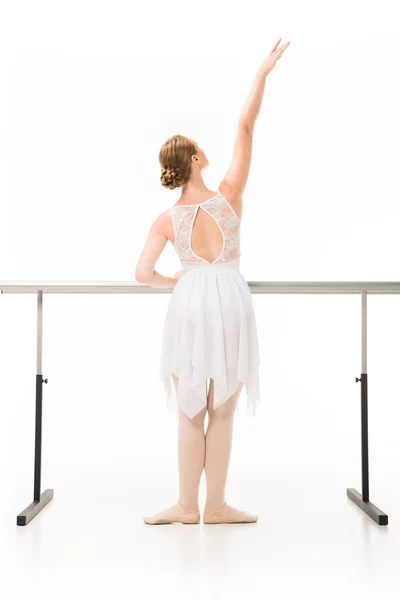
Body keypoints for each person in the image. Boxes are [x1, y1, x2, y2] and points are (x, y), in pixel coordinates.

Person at [135, 38, 290, 525]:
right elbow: (245, 126)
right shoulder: (228, 197)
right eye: (201, 147)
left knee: (189, 409)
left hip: (189, 300)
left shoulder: (167, 219)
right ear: (196, 161)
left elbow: (142, 274)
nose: (207, 148)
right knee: (222, 407)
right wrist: (261, 76)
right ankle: (216, 505)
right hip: (228, 297)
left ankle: (186, 505)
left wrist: (176, 279)